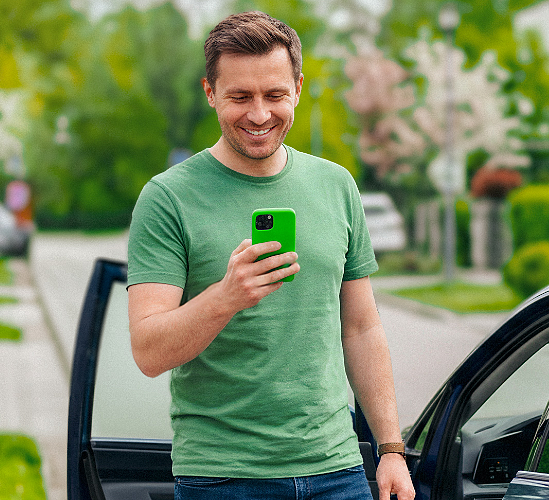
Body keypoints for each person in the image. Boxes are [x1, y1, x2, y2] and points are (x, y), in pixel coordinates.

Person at [125, 11, 416, 500]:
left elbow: (362, 327)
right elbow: (149, 352)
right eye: (240, 96)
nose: (259, 115)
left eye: (274, 95)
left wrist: (390, 449)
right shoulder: (168, 198)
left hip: (337, 471)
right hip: (222, 477)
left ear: (298, 88)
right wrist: (225, 297)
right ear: (210, 92)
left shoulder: (336, 185)